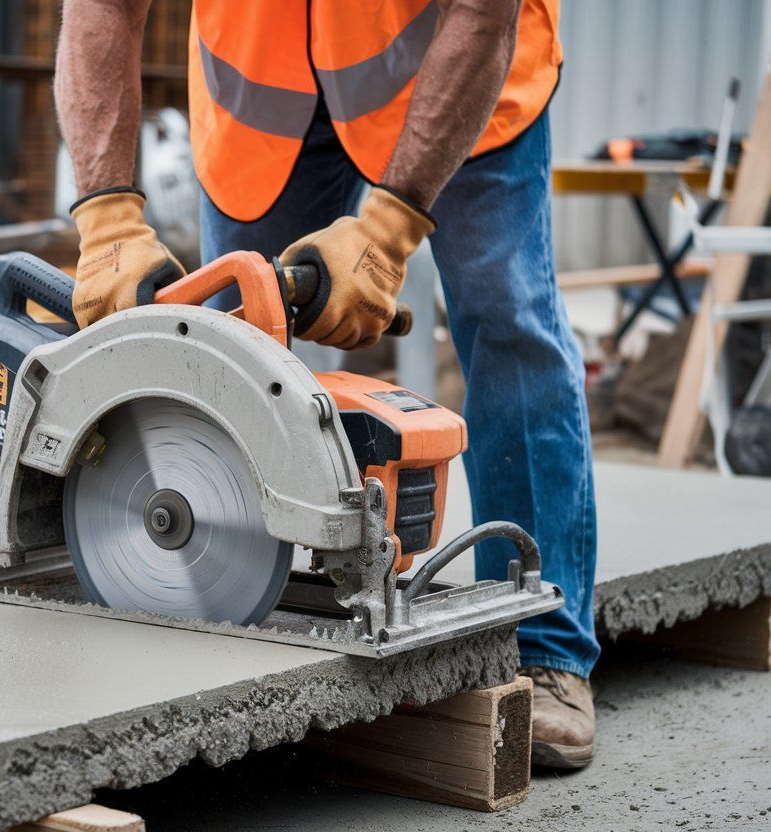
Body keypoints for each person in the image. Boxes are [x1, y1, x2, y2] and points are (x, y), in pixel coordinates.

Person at [54, 0, 599, 769]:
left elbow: (481, 11)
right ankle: (220, 597)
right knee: (229, 345)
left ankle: (546, 651)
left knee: (507, 317)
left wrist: (388, 231)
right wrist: (106, 214)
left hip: (454, 68)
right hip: (262, 94)